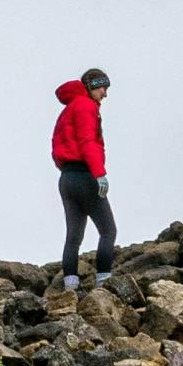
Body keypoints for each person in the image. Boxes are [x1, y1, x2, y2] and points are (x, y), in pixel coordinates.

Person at [51, 67, 117, 293]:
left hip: (67, 179)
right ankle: (103, 283)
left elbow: (56, 146)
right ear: (91, 86)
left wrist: (66, 169)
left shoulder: (68, 109)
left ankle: (70, 287)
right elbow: (88, 142)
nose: (105, 94)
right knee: (108, 231)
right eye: (102, 88)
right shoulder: (86, 106)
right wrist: (99, 174)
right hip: (85, 175)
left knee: (73, 237)